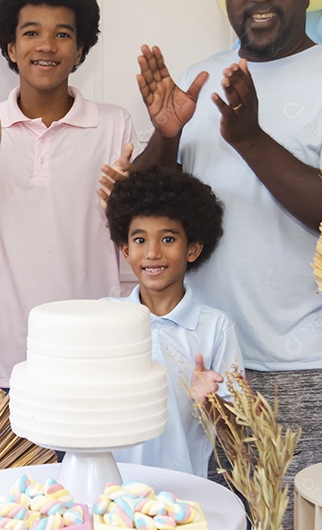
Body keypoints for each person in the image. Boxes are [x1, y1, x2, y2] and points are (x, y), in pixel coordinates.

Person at [132, 0, 322, 530]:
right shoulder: (198, 80)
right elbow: (143, 207)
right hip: (188, 354)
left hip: (292, 363)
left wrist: (248, 139)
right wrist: (166, 137)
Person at [0, 0, 137, 388]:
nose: (46, 46)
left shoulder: (114, 124)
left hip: (89, 355)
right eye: (31, 33)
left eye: (63, 35)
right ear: (11, 47)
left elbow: (138, 232)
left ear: (81, 50)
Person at [103, 166, 243, 479]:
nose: (152, 252)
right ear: (126, 250)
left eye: (168, 238)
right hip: (109, 491)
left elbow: (235, 436)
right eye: (139, 240)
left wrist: (211, 405)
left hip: (184, 496)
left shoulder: (216, 328)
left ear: (192, 249)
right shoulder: (105, 319)